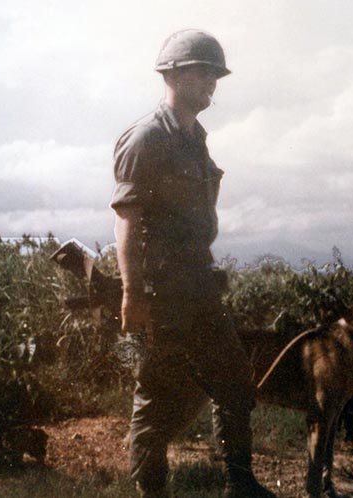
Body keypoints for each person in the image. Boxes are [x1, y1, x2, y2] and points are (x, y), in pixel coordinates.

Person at [110, 29, 277, 498]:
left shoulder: (194, 138)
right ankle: (152, 493)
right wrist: (131, 293)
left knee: (234, 381)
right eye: (206, 72)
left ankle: (240, 484)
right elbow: (127, 220)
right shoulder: (146, 138)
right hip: (162, 295)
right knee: (157, 398)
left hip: (200, 286)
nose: (213, 83)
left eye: (215, 75)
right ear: (177, 75)